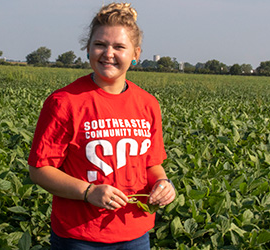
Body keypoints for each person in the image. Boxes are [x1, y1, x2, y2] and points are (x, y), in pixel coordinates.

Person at [28, 3, 175, 249]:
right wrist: (88, 192)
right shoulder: (64, 102)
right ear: (87, 50)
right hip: (79, 237)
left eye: (119, 47)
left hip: (135, 235)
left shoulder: (148, 104)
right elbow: (40, 170)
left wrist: (163, 184)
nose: (108, 53)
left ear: (136, 54)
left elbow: (151, 163)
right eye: (100, 45)